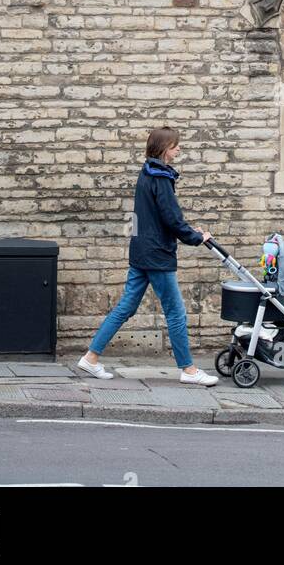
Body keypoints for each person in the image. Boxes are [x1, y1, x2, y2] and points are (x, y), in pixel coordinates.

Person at [78, 126, 217, 385]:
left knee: (125, 307)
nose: (179, 148)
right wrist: (198, 237)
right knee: (175, 312)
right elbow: (172, 219)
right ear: (165, 148)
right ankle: (188, 370)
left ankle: (91, 358)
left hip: (141, 250)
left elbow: (159, 217)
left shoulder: (146, 172)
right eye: (176, 145)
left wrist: (189, 230)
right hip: (157, 255)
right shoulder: (161, 178)